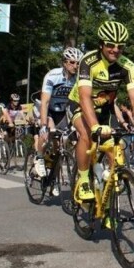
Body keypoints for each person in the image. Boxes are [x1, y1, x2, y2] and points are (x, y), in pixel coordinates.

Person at [67, 21, 134, 202]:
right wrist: (95, 125)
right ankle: (83, 178)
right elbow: (85, 96)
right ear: (101, 44)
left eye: (120, 46)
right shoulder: (88, 61)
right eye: (110, 45)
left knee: (114, 146)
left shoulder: (127, 66)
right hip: (79, 103)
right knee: (87, 134)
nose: (115, 50)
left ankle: (111, 188)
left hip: (105, 107)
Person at [34, 47, 83, 179]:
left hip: (62, 112)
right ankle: (39, 158)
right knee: (47, 132)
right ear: (64, 62)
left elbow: (80, 102)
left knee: (61, 146)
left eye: (78, 63)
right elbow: (44, 102)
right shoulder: (52, 75)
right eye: (72, 62)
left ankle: (53, 174)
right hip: (47, 109)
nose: (75, 66)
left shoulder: (78, 79)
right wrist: (43, 125)